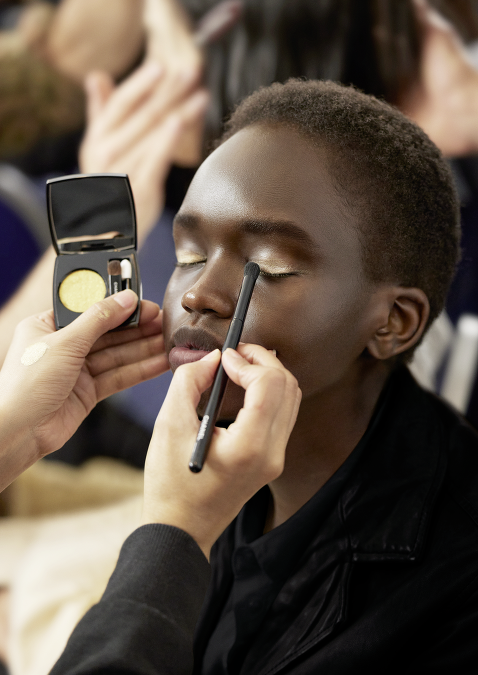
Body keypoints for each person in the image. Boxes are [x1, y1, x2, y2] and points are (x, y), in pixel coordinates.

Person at [47, 79, 478, 674]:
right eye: (189, 255)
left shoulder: (456, 594)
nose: (198, 293)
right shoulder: (210, 484)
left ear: (394, 322)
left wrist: (171, 538)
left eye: (269, 266)